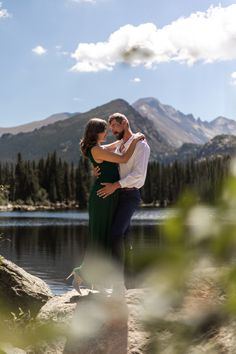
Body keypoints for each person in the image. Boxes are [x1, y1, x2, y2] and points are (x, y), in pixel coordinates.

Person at [71, 117, 144, 292]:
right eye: (105, 129)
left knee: (104, 237)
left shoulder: (98, 148)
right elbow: (125, 158)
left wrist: (127, 138)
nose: (108, 133)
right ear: (97, 132)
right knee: (101, 237)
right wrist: (135, 140)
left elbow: (114, 146)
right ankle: (89, 276)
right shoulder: (96, 149)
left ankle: (90, 277)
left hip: (109, 195)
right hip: (103, 196)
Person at [96, 113, 150, 290]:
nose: (112, 130)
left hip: (130, 196)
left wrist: (115, 185)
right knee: (125, 240)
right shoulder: (120, 144)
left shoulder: (141, 145)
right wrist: (96, 170)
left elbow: (138, 175)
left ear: (125, 123)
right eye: (110, 127)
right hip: (118, 195)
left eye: (115, 126)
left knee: (115, 234)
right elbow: (100, 152)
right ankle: (131, 284)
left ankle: (117, 280)